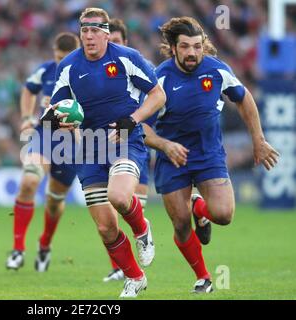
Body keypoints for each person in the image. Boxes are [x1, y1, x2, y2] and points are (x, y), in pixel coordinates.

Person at [147, 17, 280, 293]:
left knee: (224, 214)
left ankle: (200, 208)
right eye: (185, 47)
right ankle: (203, 277)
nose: (192, 52)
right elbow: (138, 123)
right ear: (173, 48)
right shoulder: (158, 78)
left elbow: (244, 98)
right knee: (181, 225)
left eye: (197, 46)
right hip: (172, 158)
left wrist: (259, 140)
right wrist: (162, 144)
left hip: (208, 155)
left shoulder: (217, 70)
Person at [43, 8, 166, 298]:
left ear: (106, 33)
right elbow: (55, 108)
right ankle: (135, 278)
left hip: (124, 139)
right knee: (105, 227)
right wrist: (53, 119)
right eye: (84, 30)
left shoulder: (127, 57)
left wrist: (133, 120)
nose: (89, 36)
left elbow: (158, 95)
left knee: (120, 197)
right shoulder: (69, 66)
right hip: (88, 149)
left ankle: (141, 228)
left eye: (95, 30)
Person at [103, 18, 188, 283]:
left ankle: (133, 263)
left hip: (132, 146)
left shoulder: (142, 71)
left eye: (115, 41)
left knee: (124, 204)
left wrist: (162, 141)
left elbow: (152, 114)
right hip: (100, 146)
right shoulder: (96, 72)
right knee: (106, 219)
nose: (110, 46)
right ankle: (124, 270)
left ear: (124, 43)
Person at [6, 33, 81, 272]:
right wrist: (27, 117)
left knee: (54, 201)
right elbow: (28, 90)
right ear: (53, 52)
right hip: (45, 134)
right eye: (58, 57)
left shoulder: (87, 73)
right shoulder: (46, 70)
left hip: (73, 144)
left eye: (65, 58)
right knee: (29, 181)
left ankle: (45, 245)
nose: (61, 63)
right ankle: (18, 250)